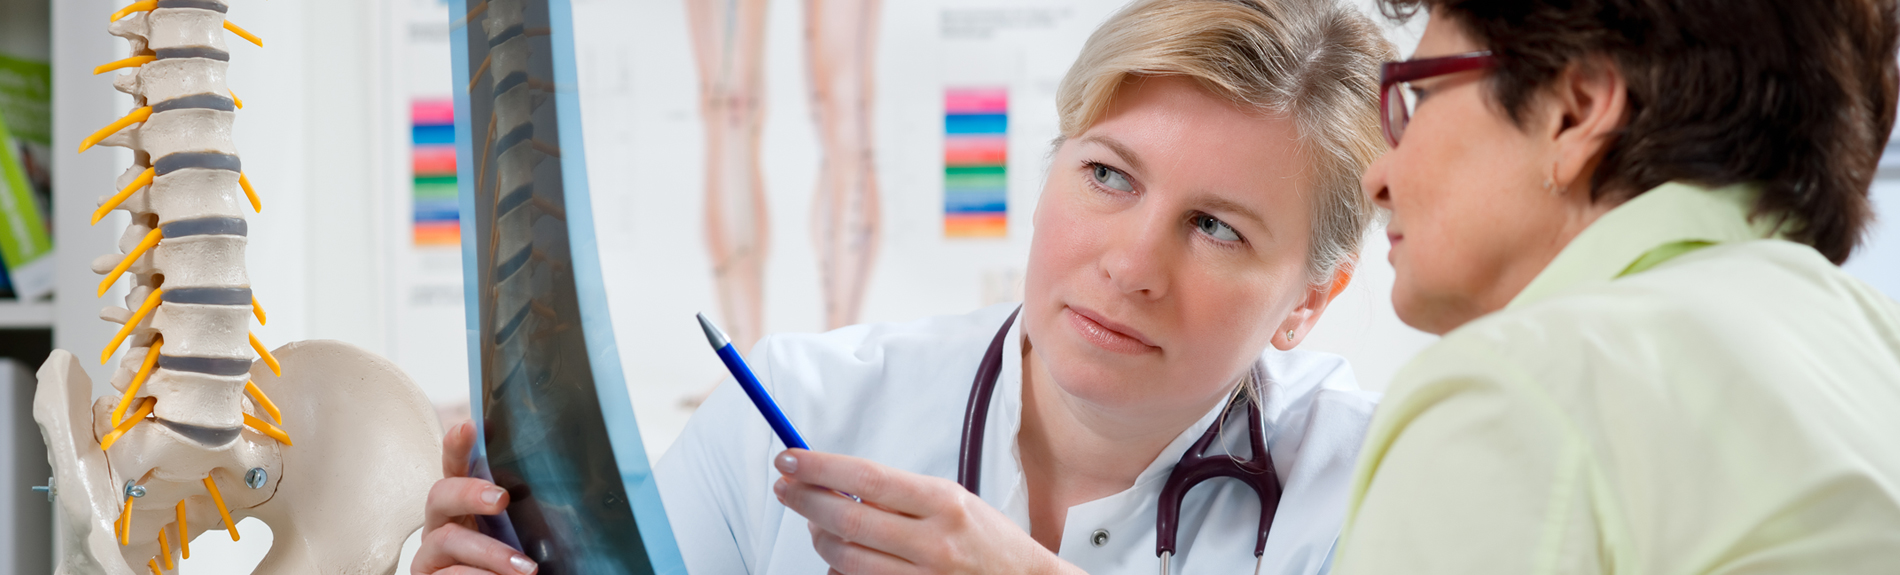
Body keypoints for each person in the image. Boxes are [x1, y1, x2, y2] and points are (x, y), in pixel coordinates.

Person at [412, 0, 1395, 573]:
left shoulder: (1378, 486)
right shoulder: (790, 412)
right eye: (1108, 175)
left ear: (1310, 301)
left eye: (1216, 227)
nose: (1131, 265)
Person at [1333, 0, 1900, 572]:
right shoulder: (1879, 346)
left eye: (1419, 95)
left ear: (1576, 112)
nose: (1377, 179)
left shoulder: (1510, 393)